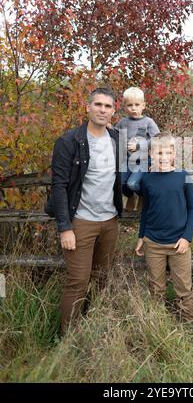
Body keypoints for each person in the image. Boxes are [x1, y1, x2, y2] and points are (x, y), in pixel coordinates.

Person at [45, 87, 123, 334]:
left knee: (101, 279)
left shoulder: (116, 139)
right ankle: (67, 338)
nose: (102, 110)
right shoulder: (69, 141)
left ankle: (94, 330)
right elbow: (59, 186)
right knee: (78, 281)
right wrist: (65, 227)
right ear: (87, 107)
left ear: (113, 111)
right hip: (81, 222)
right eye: (98, 104)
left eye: (108, 106)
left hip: (109, 221)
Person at [135, 132, 193, 323]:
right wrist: (141, 236)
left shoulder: (182, 176)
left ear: (173, 154)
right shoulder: (146, 178)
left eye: (167, 153)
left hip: (179, 243)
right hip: (153, 243)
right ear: (151, 155)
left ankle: (189, 326)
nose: (163, 158)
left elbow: (192, 208)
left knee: (184, 288)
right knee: (156, 288)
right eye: (158, 153)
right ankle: (158, 325)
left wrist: (187, 237)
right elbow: (146, 209)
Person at [115, 87, 159, 211]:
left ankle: (142, 195)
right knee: (121, 183)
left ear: (143, 105)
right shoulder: (123, 122)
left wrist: (139, 146)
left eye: (137, 105)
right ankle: (130, 197)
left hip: (142, 161)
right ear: (125, 107)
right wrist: (107, 127)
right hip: (127, 161)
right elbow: (115, 134)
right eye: (130, 105)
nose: (133, 108)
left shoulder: (148, 122)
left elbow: (157, 139)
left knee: (132, 183)